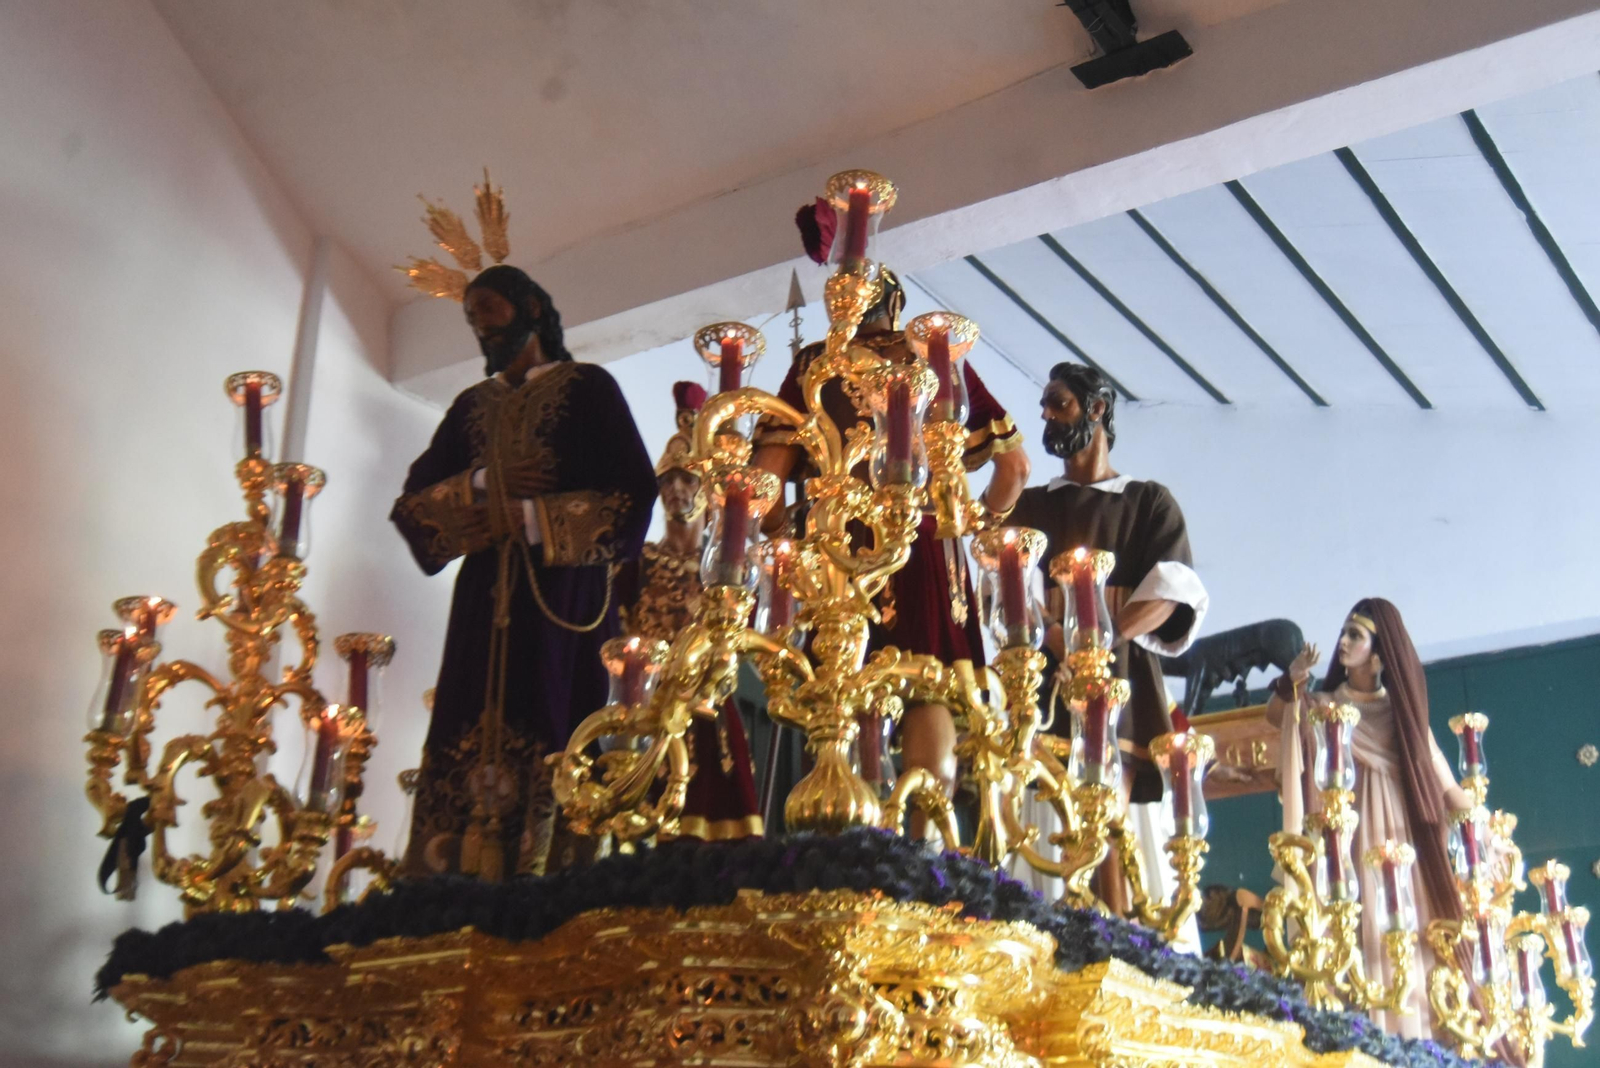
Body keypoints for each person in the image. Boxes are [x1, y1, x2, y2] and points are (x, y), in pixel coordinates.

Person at [391, 264, 657, 880]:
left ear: (531, 309)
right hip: (482, 607)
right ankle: (447, 881)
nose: (479, 327)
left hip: (562, 602)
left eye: (489, 310)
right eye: (471, 318)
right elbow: (412, 507)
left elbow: (631, 499)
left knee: (555, 719)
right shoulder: (469, 408)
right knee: (466, 722)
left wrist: (532, 516)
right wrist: (484, 485)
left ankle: (551, 876)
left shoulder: (589, 389)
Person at [751, 267, 1030, 833]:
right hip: (926, 543)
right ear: (897, 305)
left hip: (837, 549)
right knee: (930, 684)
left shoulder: (814, 366)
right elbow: (1015, 467)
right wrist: (976, 528)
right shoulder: (935, 354)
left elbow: (762, 488)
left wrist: (786, 533)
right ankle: (925, 844)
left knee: (836, 691)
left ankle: (841, 841)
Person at [1006, 362, 1207, 926]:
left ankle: (1123, 930)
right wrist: (1057, 637)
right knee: (1047, 810)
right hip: (1049, 683)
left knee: (1121, 822)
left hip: (1122, 683)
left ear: (1097, 410)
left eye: (1059, 404)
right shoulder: (1031, 507)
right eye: (1045, 405)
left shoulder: (1145, 502)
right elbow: (1014, 589)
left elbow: (1171, 590)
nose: (1046, 415)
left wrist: (1099, 635)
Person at [1268, 598, 1472, 1039]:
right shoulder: (1322, 706)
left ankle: (1409, 1035)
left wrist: (1484, 832)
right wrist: (1293, 683)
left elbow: (1447, 788)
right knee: (1347, 929)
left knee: (1401, 933)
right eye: (1344, 632)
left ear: (1379, 655)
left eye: (1354, 635)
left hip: (1398, 843)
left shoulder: (1404, 719)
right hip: (1344, 841)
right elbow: (1276, 718)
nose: (1342, 642)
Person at [614, 381, 763, 840]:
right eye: (668, 481)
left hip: (709, 712)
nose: (676, 490)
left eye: (688, 479)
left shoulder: (732, 568)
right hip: (648, 716)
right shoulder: (634, 566)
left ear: (709, 488)